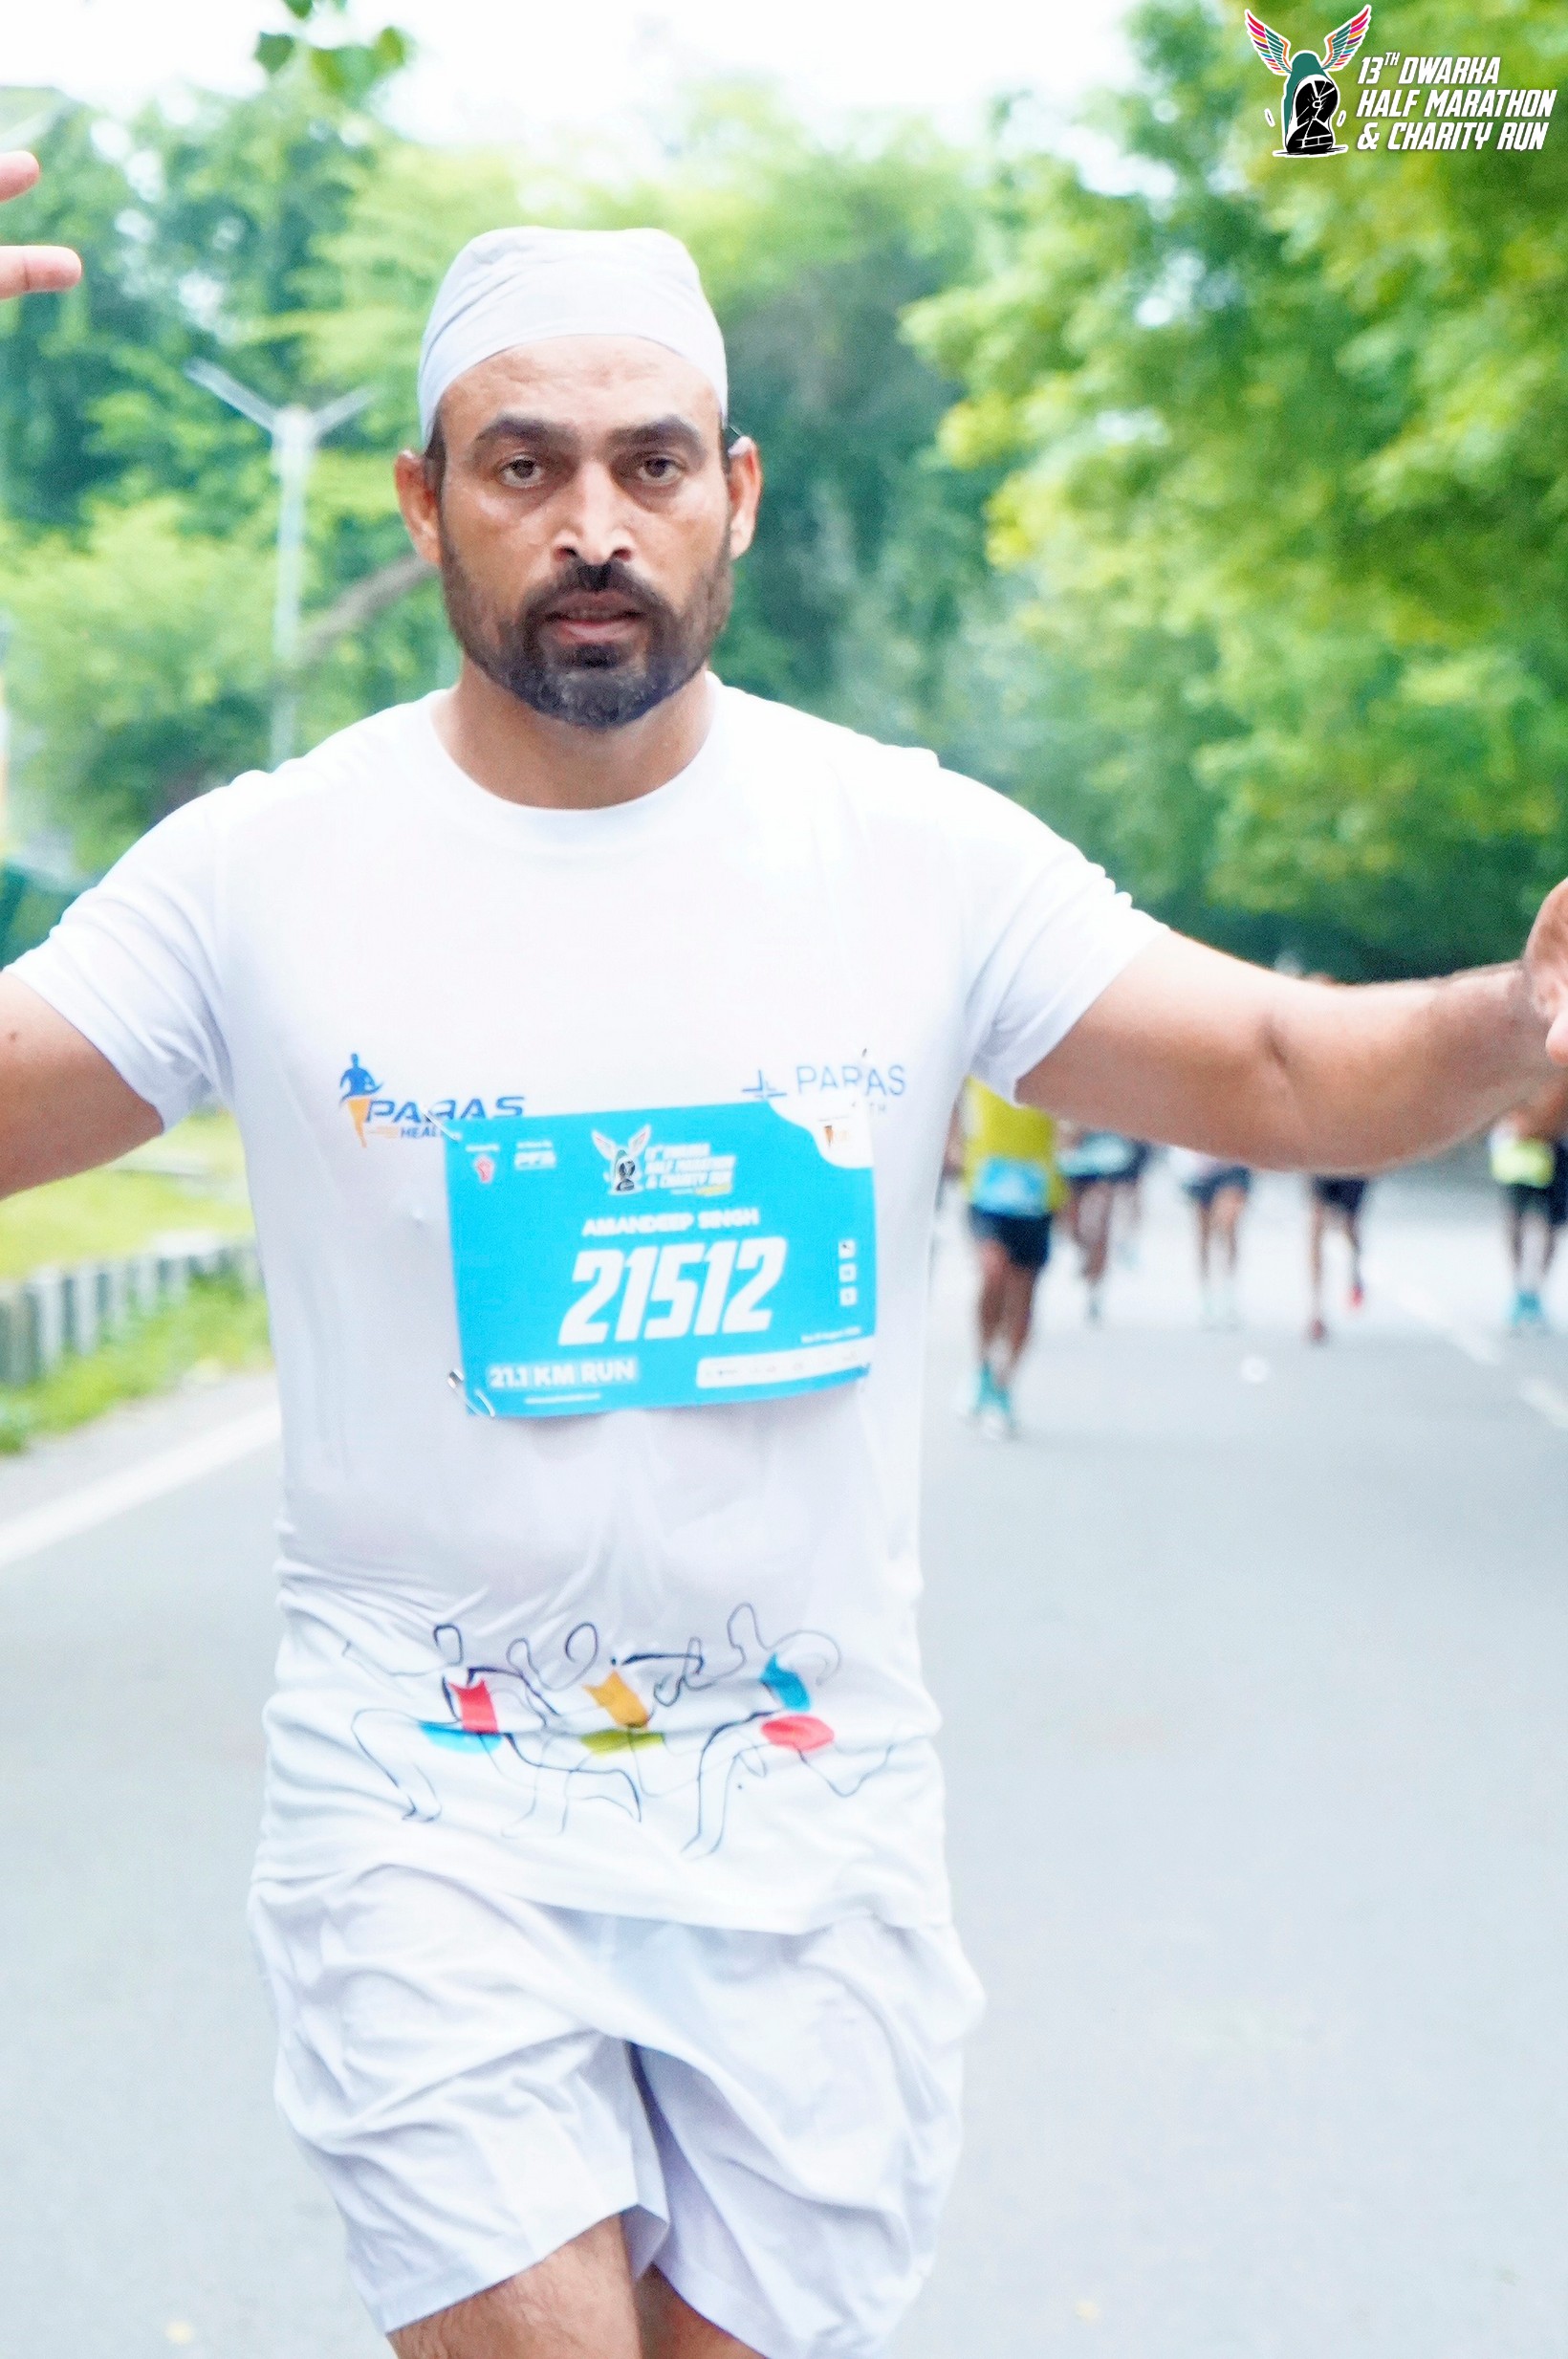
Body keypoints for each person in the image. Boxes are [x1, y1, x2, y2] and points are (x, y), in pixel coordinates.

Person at [3, 153, 1568, 2359]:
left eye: (650, 463)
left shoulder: (908, 850)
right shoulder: (262, 874)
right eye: (523, 466)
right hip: (422, 1801)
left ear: (732, 493)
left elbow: (1285, 1072)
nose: (594, 523)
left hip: (810, 1822)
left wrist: (1519, 1023)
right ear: (420, 503)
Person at [958, 1076, 1063, 1433]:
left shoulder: (1052, 1062)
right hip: (985, 1188)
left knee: (1023, 1294)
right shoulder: (977, 1058)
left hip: (1037, 1192)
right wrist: (953, 1142)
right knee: (992, 1271)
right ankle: (981, 1365)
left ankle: (1004, 1385)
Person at [1489, 1077, 1568, 1328]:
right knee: (1517, 1217)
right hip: (1522, 1145)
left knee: (1551, 1223)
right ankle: (1520, 1290)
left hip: (1556, 1145)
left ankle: (1534, 1292)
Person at [1055, 1125, 1143, 1322]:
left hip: (1106, 1159)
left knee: (1101, 1227)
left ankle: (1095, 1288)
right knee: (1072, 1224)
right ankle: (1085, 1254)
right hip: (1074, 1159)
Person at [1169, 1148, 1252, 1328]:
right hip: (1202, 1167)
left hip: (1233, 1165)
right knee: (1204, 1236)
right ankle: (1207, 1298)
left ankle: (1228, 1294)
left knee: (1228, 1224)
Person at [1306, 1172, 1369, 1343]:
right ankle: (1317, 1310)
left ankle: (1355, 1273)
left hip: (1352, 1168)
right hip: (1321, 1166)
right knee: (1316, 1222)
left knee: (1349, 1226)